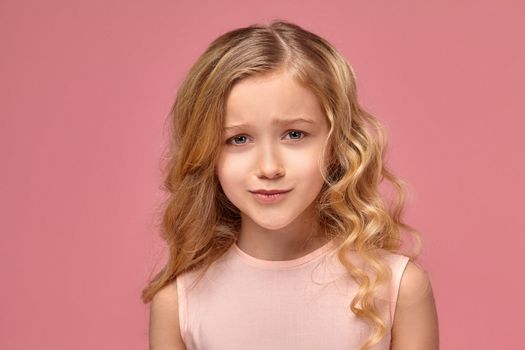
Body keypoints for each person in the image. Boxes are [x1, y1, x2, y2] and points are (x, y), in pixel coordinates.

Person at [142, 20, 439, 350]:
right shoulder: (179, 302)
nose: (269, 167)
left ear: (338, 142)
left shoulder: (398, 288)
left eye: (294, 134)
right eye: (238, 139)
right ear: (206, 151)